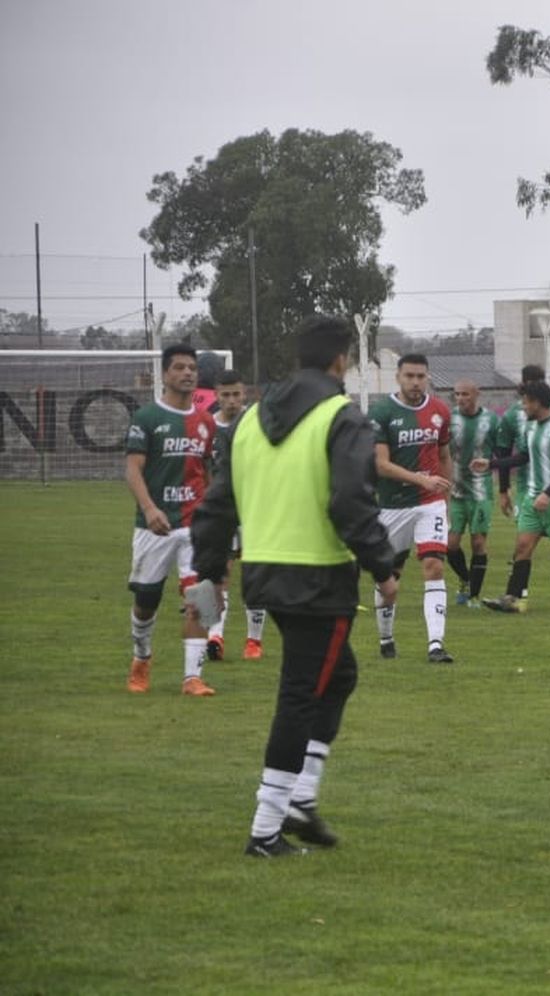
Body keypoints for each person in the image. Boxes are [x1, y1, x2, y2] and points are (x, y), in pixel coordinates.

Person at [191, 314, 398, 857]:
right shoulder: (341, 416)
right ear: (340, 360)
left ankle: (301, 798)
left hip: (264, 569)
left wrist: (209, 567)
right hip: (319, 574)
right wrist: (382, 565)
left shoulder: (249, 420)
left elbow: (217, 503)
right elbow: (352, 500)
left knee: (338, 675)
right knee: (302, 692)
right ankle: (267, 826)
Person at [123, 343, 218, 697]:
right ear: (165, 374)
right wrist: (149, 509)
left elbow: (206, 473)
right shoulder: (147, 418)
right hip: (155, 525)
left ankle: (192, 677)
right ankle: (141, 656)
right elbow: (133, 470)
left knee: (202, 595)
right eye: (179, 367)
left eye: (191, 367)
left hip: (195, 524)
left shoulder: (206, 421)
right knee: (147, 598)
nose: (187, 373)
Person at [368, 353, 455, 663]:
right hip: (392, 507)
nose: (415, 382)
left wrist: (445, 494)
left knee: (434, 565)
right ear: (398, 377)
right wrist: (421, 479)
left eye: (421, 376)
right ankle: (386, 636)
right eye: (410, 376)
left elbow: (444, 456)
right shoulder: (381, 412)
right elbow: (380, 465)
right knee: (389, 578)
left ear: (428, 377)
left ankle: (435, 644)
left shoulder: (440, 411)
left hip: (429, 504)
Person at [483, 380, 550, 613]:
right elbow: (523, 458)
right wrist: (491, 464)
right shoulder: (530, 427)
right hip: (532, 498)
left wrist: (548, 493)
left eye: (526, 401)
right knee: (522, 547)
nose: (523, 406)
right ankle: (511, 597)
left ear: (537, 402)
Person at [204, 369, 269, 662]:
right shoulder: (205, 427)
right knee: (217, 576)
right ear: (216, 396)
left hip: (255, 510)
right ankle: (213, 637)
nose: (231, 401)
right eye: (225, 395)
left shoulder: (257, 425)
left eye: (236, 395)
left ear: (245, 394)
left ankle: (254, 642)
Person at [446, 379, 503, 607]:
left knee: (478, 543)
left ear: (476, 394)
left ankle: (474, 596)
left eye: (465, 394)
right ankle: (465, 579)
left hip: (481, 493)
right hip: (456, 491)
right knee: (450, 545)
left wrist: (490, 463)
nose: (460, 399)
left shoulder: (491, 420)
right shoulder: (449, 419)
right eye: (457, 394)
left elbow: (503, 454)